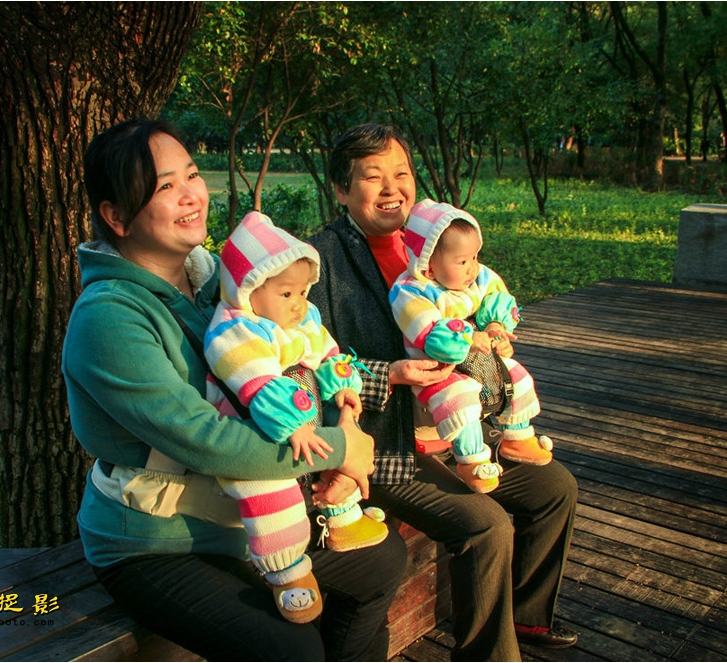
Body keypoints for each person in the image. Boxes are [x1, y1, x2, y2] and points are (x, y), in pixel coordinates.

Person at [61, 118, 407, 661]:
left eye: (192, 175)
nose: (190, 195)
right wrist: (342, 450)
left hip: (240, 513)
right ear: (116, 215)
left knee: (380, 564)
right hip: (158, 539)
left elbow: (299, 353)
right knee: (290, 650)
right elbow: (206, 439)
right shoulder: (109, 318)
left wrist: (344, 421)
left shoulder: (219, 283)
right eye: (165, 186)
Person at [307, 123, 579, 661]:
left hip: (459, 425)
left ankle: (524, 616)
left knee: (554, 488)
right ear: (340, 189)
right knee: (486, 525)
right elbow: (310, 370)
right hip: (385, 444)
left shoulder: (436, 238)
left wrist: (491, 335)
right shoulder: (320, 263)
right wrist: (391, 375)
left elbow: (477, 306)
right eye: (372, 177)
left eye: (401, 173)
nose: (392, 188)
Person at [203, 210, 389, 624]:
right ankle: (286, 571)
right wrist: (293, 424)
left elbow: (327, 351)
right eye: (286, 293)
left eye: (303, 291)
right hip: (253, 433)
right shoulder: (235, 329)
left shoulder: (300, 320)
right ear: (246, 290)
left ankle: (342, 518)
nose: (299, 303)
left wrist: (341, 383)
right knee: (271, 495)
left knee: (330, 454)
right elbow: (256, 380)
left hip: (304, 419)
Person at [388, 199, 555, 494]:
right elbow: (430, 333)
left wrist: (496, 326)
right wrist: (468, 337)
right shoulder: (411, 291)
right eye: (462, 261)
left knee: (517, 375)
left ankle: (517, 435)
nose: (473, 268)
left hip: (481, 362)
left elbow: (497, 296)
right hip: (439, 372)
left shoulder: (477, 278)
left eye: (475, 256)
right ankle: (472, 460)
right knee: (461, 400)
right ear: (429, 267)